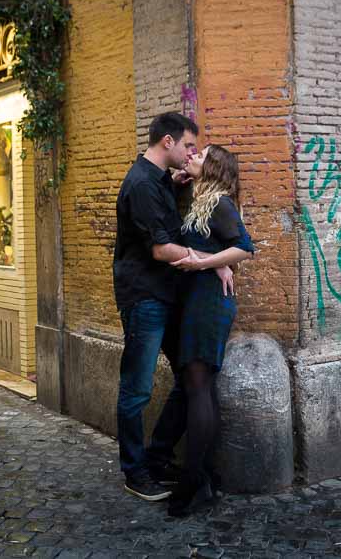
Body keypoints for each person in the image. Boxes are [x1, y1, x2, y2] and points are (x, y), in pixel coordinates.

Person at [112, 112, 234, 501]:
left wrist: (178, 180)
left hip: (168, 296)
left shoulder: (159, 180)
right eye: (188, 147)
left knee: (189, 379)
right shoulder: (142, 185)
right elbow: (162, 249)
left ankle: (158, 456)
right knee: (136, 389)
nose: (191, 154)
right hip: (145, 297)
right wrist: (211, 260)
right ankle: (135, 472)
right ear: (168, 142)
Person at [166, 144, 255, 516]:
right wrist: (175, 181)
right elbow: (189, 241)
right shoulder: (197, 198)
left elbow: (244, 249)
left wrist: (209, 264)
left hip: (210, 305)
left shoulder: (220, 203)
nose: (191, 157)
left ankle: (192, 483)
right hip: (196, 303)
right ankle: (204, 478)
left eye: (199, 155)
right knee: (198, 388)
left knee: (199, 387)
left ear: (214, 167)